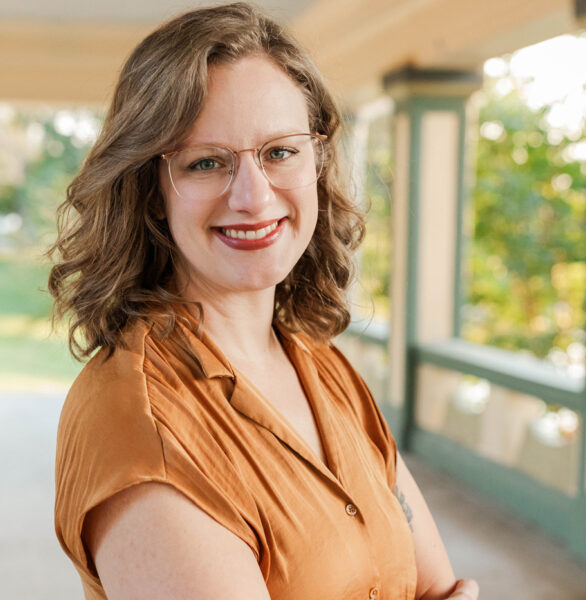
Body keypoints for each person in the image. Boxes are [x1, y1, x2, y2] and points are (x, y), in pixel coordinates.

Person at [49, 3, 479, 599]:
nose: (253, 196)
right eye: (206, 163)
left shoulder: (316, 360)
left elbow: (437, 586)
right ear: (150, 192)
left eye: (280, 152)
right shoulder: (142, 424)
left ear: (318, 161)